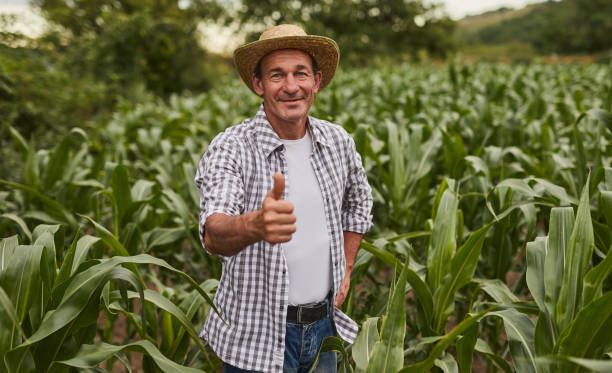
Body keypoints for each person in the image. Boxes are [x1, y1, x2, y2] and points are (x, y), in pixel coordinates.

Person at [194, 24, 373, 373]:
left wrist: (348, 266)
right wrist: (255, 223)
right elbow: (214, 233)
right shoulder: (232, 147)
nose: (291, 86)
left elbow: (358, 204)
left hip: (324, 331)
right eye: (277, 75)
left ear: (316, 81)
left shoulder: (338, 142)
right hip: (257, 339)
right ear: (259, 85)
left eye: (300, 74)